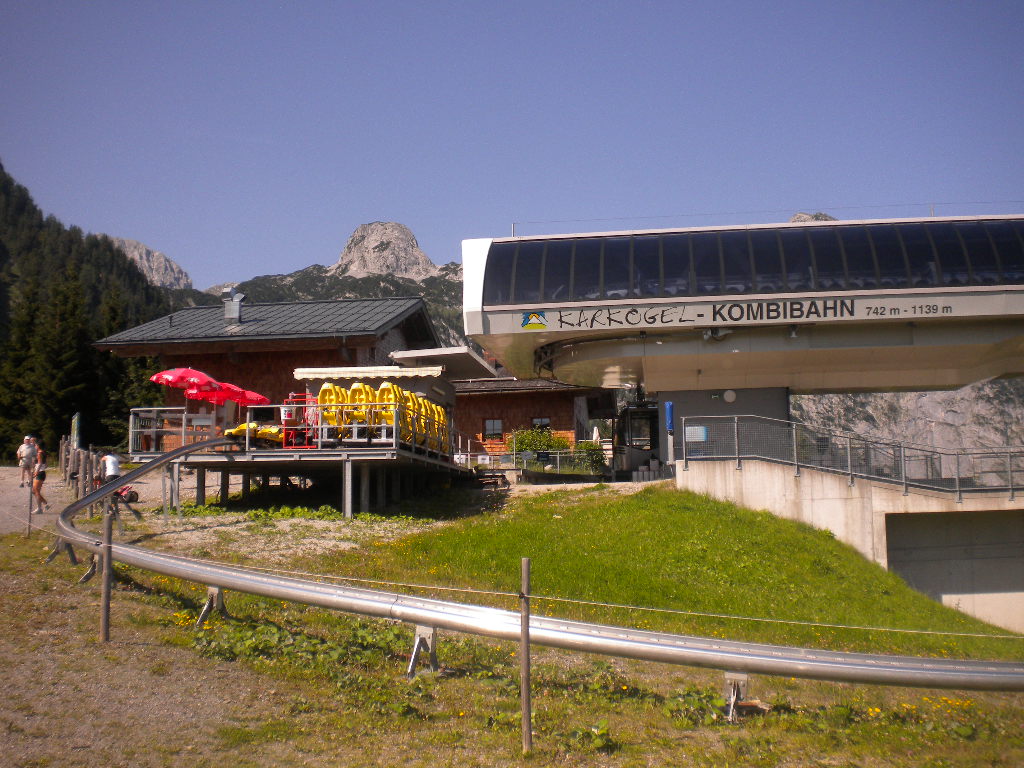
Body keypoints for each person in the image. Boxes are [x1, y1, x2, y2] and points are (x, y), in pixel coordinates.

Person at [32, 441, 49, 513]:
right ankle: (43, 505)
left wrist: (36, 472)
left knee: (35, 491)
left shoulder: (39, 453)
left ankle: (42, 506)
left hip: (40, 473)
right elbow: (46, 464)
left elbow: (39, 463)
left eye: (36, 445)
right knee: (35, 491)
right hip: (42, 472)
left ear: (38, 445)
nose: (35, 446)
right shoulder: (44, 453)